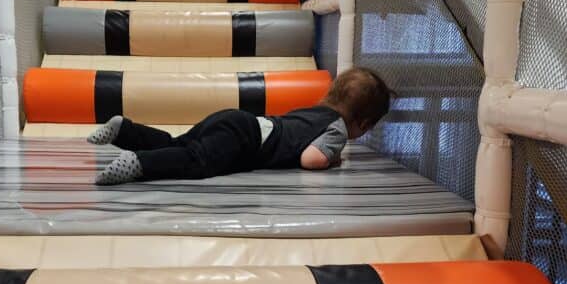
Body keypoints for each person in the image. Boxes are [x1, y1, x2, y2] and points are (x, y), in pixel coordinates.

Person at [90, 66, 392, 185]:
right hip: (245, 140)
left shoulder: (313, 110)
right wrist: (334, 158)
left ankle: (126, 130)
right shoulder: (337, 128)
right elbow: (311, 159)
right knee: (197, 162)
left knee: (179, 144)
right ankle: (138, 163)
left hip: (240, 121)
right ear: (363, 124)